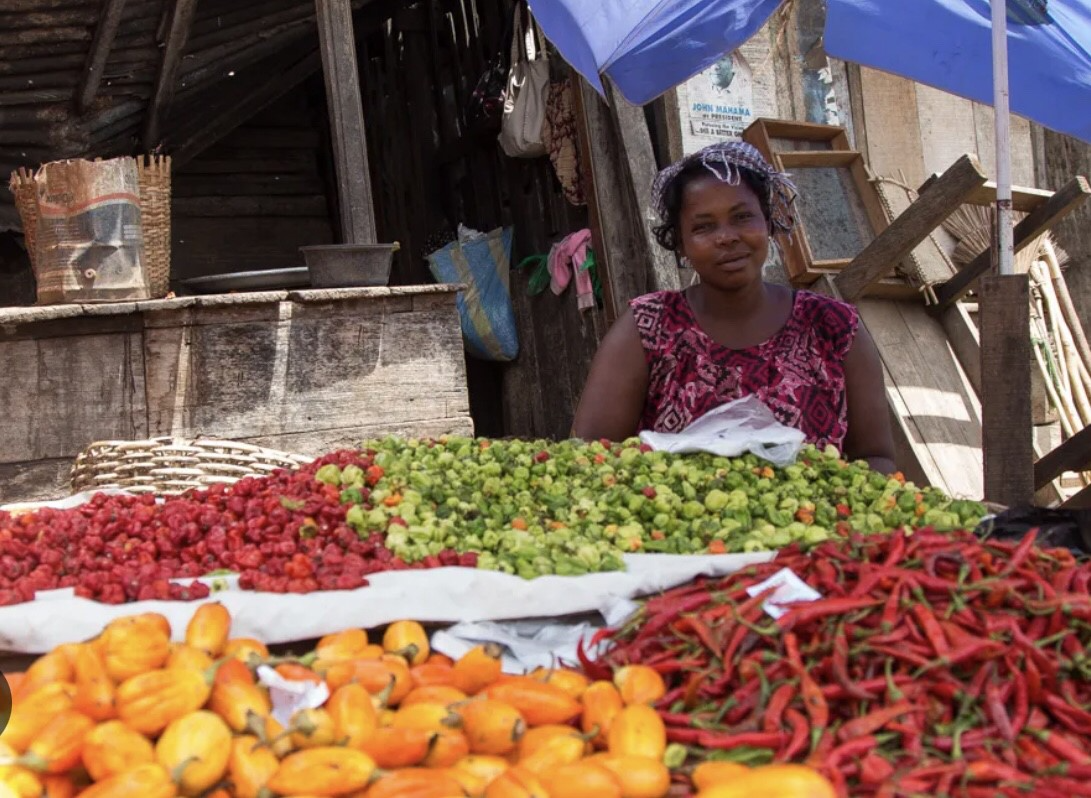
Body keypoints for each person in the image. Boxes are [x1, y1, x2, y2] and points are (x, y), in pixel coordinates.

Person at [571, 141, 897, 474]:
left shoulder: (834, 327)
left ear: (768, 223)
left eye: (742, 218)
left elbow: (876, 458)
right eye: (703, 227)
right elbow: (590, 454)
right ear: (680, 243)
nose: (726, 237)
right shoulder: (649, 327)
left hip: (815, 520)